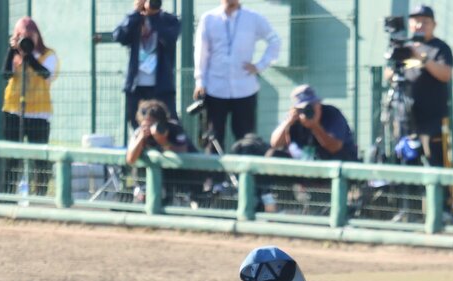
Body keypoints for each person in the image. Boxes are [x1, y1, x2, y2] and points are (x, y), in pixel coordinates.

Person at [193, 0, 282, 150]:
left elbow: (275, 41)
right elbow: (202, 52)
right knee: (213, 137)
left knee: (246, 138)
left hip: (244, 88)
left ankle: (244, 172)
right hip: (215, 88)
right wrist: (200, 81)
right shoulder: (209, 18)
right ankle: (214, 173)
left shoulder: (253, 18)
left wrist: (260, 65)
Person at [1, 17, 58, 197]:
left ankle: (40, 194)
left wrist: (29, 55)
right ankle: (8, 193)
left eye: (28, 35)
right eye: (20, 35)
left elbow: (45, 73)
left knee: (39, 158)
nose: (25, 39)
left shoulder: (48, 55)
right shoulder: (14, 53)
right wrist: (12, 52)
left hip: (38, 114)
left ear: (36, 35)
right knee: (11, 158)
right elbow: (5, 74)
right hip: (13, 111)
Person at [391, 5, 453, 167]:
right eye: (416, 21)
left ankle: (441, 193)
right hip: (406, 118)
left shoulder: (440, 48)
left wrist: (422, 58)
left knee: (434, 161)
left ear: (434, 24)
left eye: (425, 22)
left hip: (432, 120)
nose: (420, 25)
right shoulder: (405, 47)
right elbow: (388, 74)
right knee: (406, 162)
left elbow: (445, 74)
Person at [113, 0, 181, 135]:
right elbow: (119, 36)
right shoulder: (135, 19)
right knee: (135, 122)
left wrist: (153, 17)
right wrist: (134, 14)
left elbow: (170, 38)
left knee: (167, 123)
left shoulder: (169, 20)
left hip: (161, 85)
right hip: (136, 85)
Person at [269, 85, 358, 161]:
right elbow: (275, 143)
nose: (309, 110)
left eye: (312, 105)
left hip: (330, 162)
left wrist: (315, 126)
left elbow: (335, 147)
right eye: (304, 108)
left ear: (319, 103)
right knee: (273, 155)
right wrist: (288, 122)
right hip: (301, 163)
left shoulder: (332, 114)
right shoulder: (293, 118)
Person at [125, 99, 191, 166]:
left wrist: (163, 141)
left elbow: (183, 151)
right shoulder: (139, 132)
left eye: (152, 124)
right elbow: (130, 160)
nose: (149, 128)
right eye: (146, 124)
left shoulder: (175, 129)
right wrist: (141, 137)